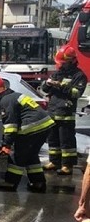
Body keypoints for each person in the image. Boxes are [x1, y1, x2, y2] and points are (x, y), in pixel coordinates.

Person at [0, 74, 54, 192]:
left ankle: (10, 182)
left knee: (16, 155)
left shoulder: (5, 101)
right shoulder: (13, 96)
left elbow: (10, 127)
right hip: (45, 126)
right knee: (31, 155)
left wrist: (6, 145)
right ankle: (38, 183)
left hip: (31, 128)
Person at [40, 46, 87, 176]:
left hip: (66, 114)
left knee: (67, 142)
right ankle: (54, 162)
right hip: (53, 111)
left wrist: (60, 85)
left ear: (71, 61)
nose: (60, 65)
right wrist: (48, 84)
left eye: (63, 62)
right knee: (53, 140)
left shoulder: (79, 76)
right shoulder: (58, 73)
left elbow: (76, 93)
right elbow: (45, 90)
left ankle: (67, 165)